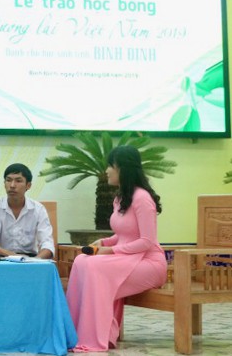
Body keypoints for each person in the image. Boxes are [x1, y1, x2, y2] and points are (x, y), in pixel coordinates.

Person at [66, 145, 167, 352]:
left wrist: (111, 251)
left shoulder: (142, 199)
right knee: (81, 261)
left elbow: (146, 241)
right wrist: (103, 242)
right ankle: (75, 333)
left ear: (122, 168)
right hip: (127, 259)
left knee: (94, 267)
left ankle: (94, 336)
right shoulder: (120, 198)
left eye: (110, 166)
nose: (106, 171)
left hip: (148, 263)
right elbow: (122, 234)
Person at [0, 163, 54, 259]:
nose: (12, 185)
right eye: (8, 180)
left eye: (18, 181)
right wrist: (16, 257)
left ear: (28, 185)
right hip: (2, 258)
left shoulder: (38, 209)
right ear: (4, 184)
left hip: (31, 259)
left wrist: (34, 261)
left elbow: (47, 243)